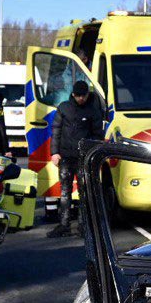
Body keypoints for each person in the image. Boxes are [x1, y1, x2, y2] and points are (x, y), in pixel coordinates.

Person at [48, 80, 104, 237]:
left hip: (83, 157)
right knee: (65, 191)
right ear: (73, 94)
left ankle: (82, 225)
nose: (80, 98)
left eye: (83, 96)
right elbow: (56, 131)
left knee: (83, 192)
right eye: (78, 95)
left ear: (87, 95)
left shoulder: (93, 111)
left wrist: (90, 153)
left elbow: (98, 135)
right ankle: (64, 224)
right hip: (65, 156)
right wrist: (54, 152)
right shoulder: (64, 108)